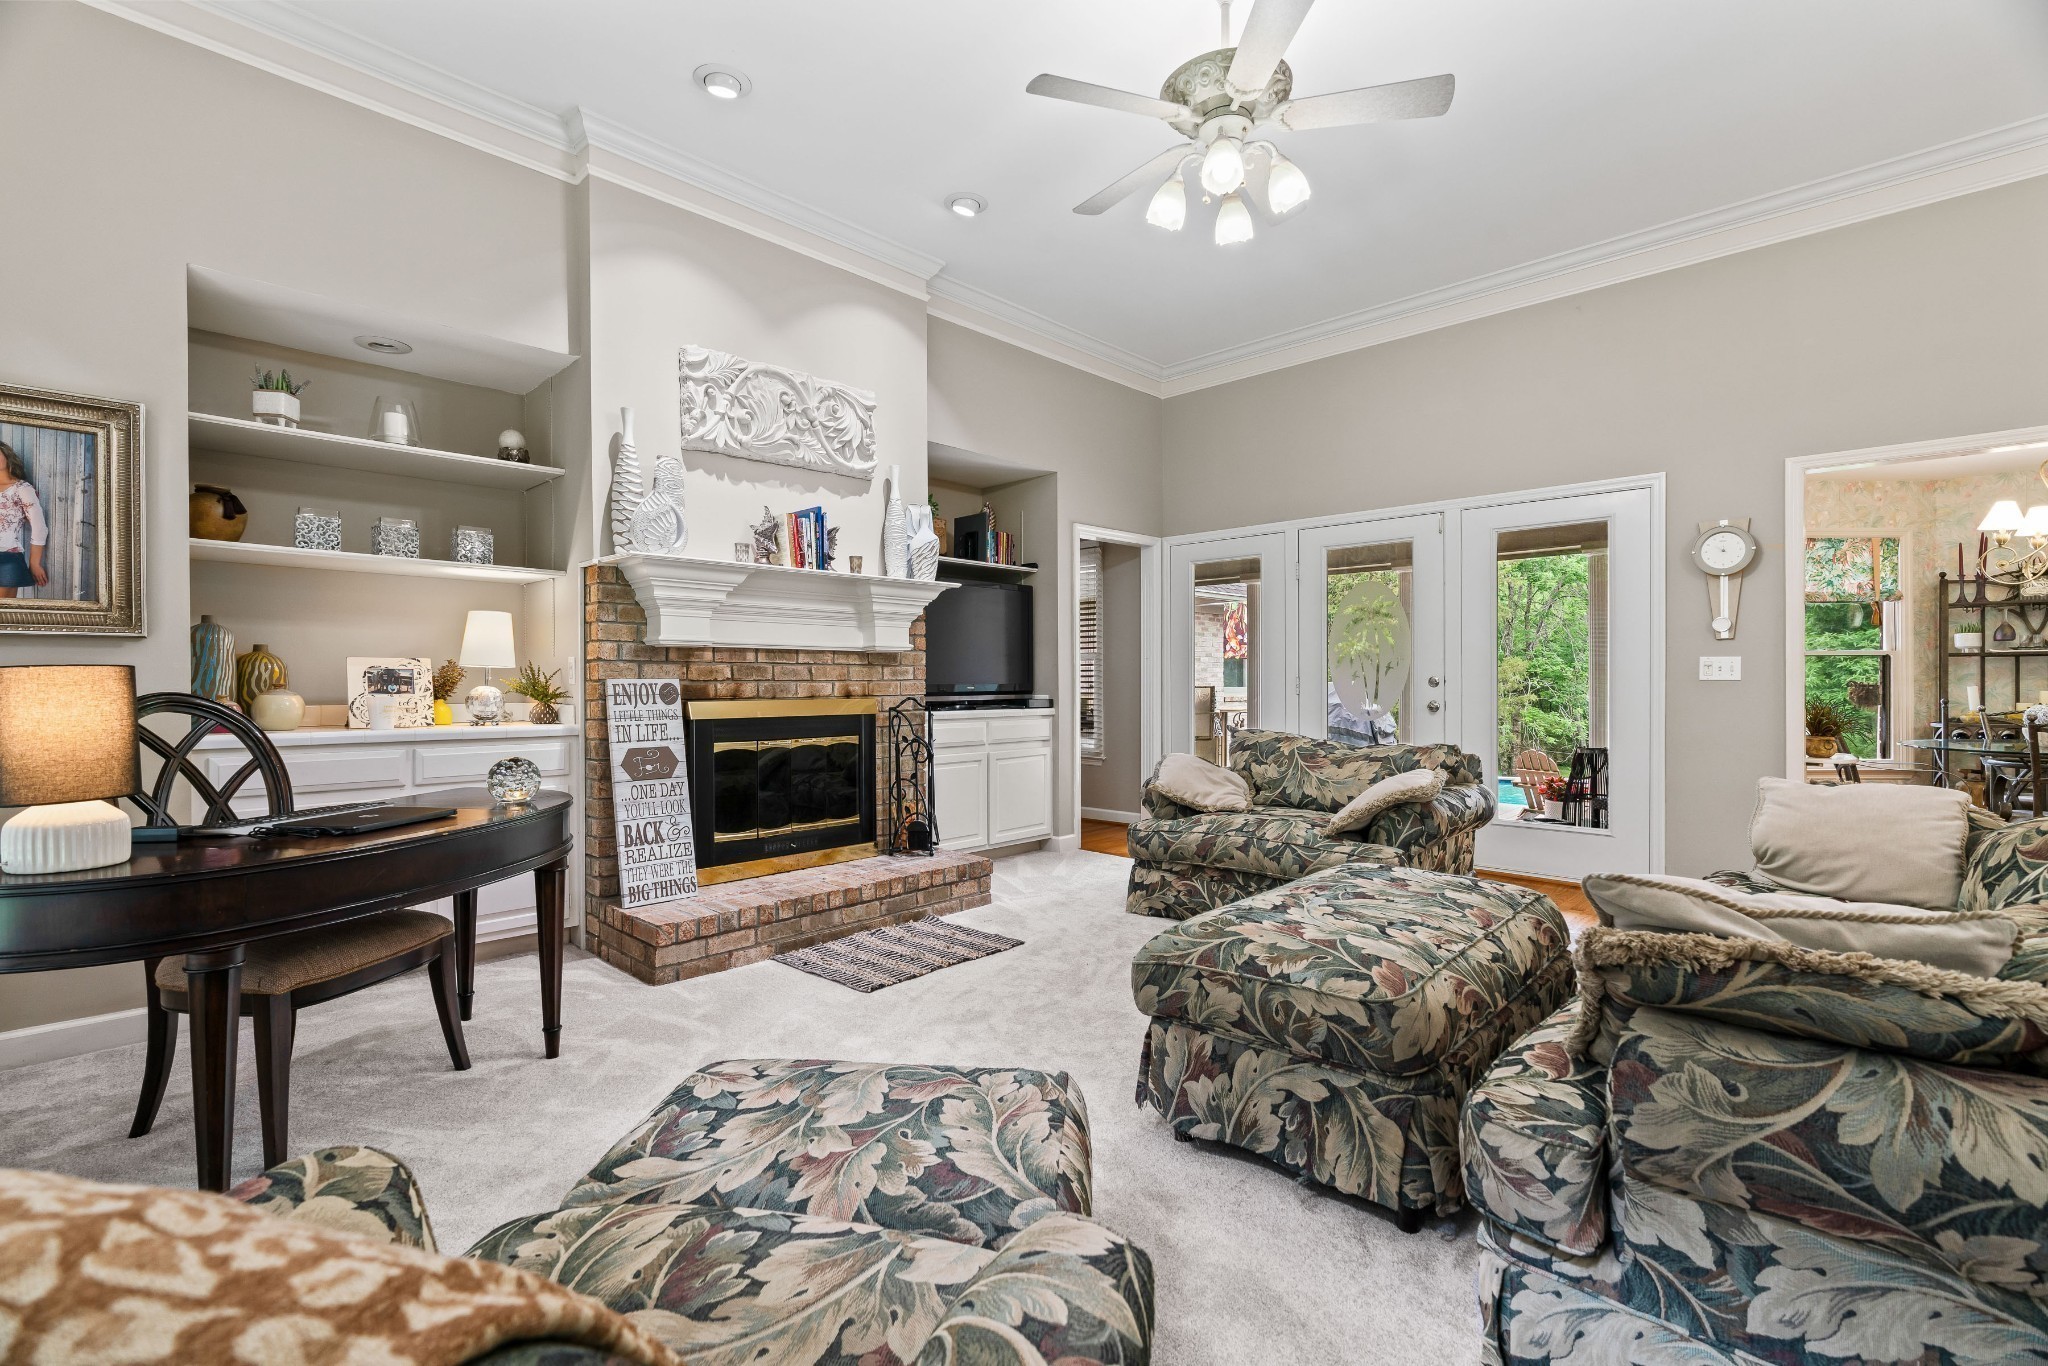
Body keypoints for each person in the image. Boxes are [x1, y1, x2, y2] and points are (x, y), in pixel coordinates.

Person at [0, 440, 49, 597]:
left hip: (6, 559)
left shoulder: (22, 489)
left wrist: (34, 563)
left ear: (5, 454)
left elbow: (39, 527)